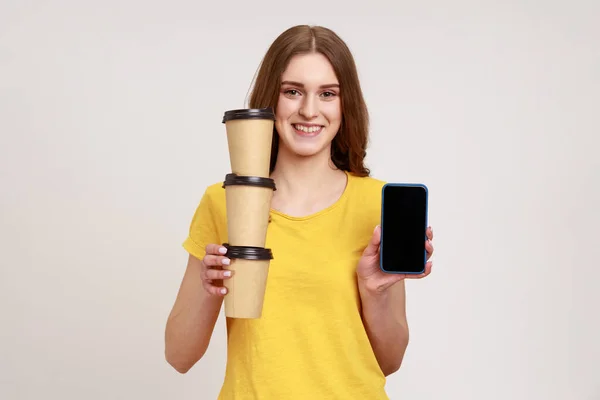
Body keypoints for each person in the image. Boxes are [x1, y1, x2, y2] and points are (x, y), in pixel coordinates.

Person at [164, 24, 435, 399]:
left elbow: (389, 361)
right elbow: (179, 356)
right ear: (270, 100)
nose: (309, 110)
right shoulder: (223, 201)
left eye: (327, 94)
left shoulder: (376, 206)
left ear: (345, 104)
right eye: (293, 91)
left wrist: (373, 291)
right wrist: (209, 290)